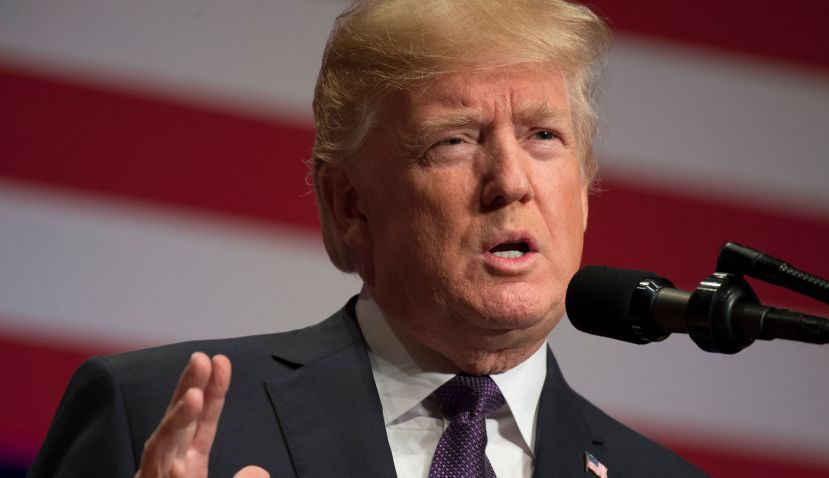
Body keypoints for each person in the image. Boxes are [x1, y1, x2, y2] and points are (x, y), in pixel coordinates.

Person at [28, 1, 706, 477]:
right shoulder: (147, 415)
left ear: (584, 191)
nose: (510, 181)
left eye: (544, 136)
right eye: (455, 140)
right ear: (350, 203)